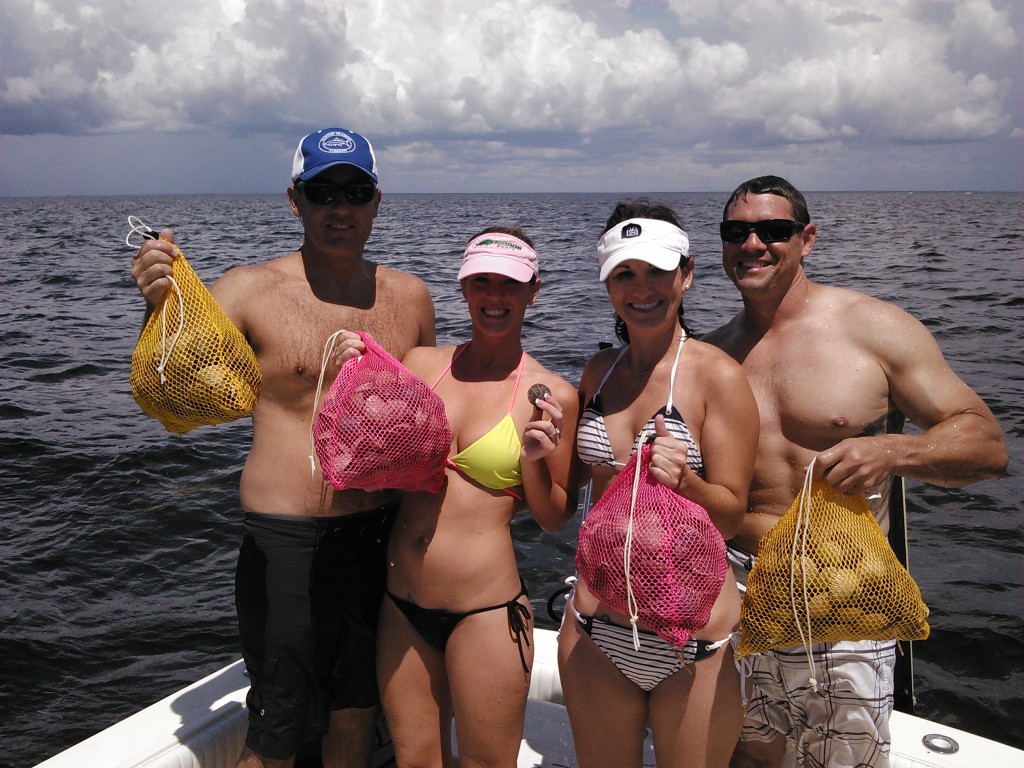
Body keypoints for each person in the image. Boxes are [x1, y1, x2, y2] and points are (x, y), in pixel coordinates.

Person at [130, 128, 436, 768]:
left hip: (380, 535)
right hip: (288, 540)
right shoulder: (247, 288)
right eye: (323, 192)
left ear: (377, 201)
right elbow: (172, 393)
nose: (340, 207)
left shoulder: (411, 297)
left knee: (356, 710)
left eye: (355, 191)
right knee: (279, 729)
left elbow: (428, 412)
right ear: (294, 200)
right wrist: (159, 306)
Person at [702, 175, 1008, 768]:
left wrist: (892, 451)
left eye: (773, 230)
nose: (754, 244)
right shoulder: (711, 355)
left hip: (845, 596)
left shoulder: (874, 328)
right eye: (737, 232)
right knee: (749, 755)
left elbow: (987, 444)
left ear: (807, 238)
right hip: (736, 591)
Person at [557, 201, 760, 768]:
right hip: (597, 626)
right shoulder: (599, 371)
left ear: (687, 275)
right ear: (607, 284)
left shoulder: (717, 376)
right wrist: (541, 447)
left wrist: (688, 484)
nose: (641, 288)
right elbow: (575, 495)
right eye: (624, 273)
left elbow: (730, 517)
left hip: (695, 643)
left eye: (656, 272)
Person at [374, 226, 579, 767]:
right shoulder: (420, 365)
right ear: (463, 288)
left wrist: (534, 465)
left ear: (533, 291)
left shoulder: (551, 393)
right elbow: (369, 455)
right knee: (414, 758)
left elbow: (555, 518)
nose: (494, 297)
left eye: (509, 285)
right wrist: (356, 366)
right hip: (401, 604)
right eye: (481, 282)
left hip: (485, 613)